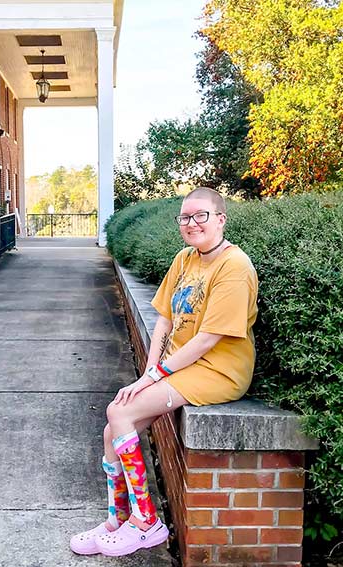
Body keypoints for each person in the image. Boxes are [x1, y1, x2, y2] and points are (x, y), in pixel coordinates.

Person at [69, 187, 259, 557]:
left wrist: (156, 376)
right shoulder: (185, 259)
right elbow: (163, 321)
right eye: (185, 218)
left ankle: (147, 523)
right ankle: (117, 518)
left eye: (201, 215)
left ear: (221, 218)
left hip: (219, 369)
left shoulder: (234, 267)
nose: (192, 224)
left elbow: (208, 340)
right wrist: (148, 372)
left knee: (119, 412)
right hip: (181, 366)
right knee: (113, 431)